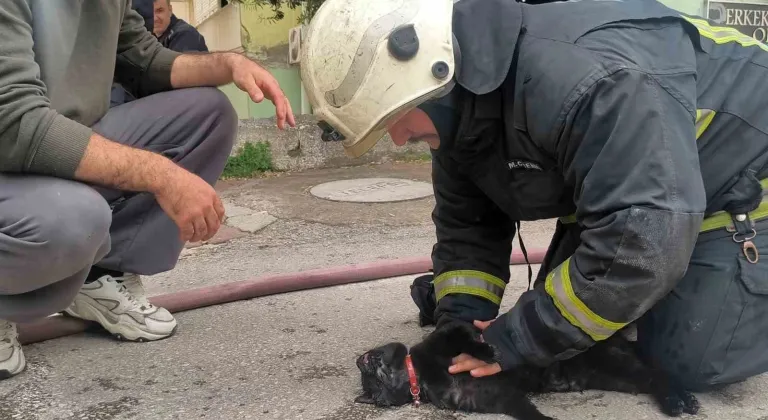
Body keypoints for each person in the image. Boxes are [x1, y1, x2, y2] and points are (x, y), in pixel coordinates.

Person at [300, 0, 768, 391]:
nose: (398, 139)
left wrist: (516, 341)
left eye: (394, 118)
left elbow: (642, 245)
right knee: (580, 315)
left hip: (741, 185)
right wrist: (458, 327)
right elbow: (469, 227)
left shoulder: (591, 83)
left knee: (686, 355)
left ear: (432, 78)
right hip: (653, 194)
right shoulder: (466, 107)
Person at [0, 0, 295, 379]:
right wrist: (161, 175)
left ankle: (98, 277)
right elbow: (14, 124)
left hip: (48, 152)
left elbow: (146, 61)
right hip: (12, 147)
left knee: (207, 114)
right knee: (75, 220)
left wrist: (229, 65)